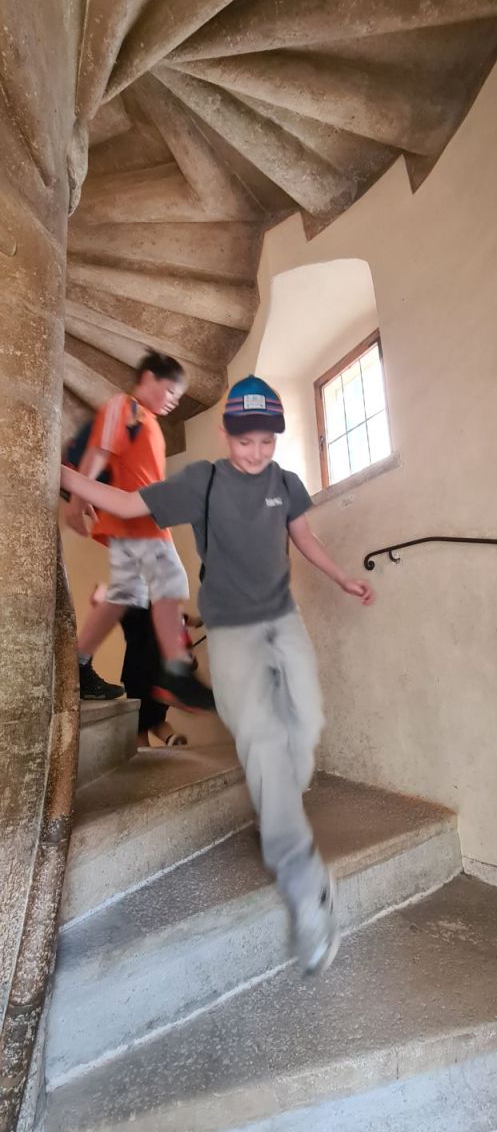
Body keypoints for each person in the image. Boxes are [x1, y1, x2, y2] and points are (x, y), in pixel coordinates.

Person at [60, 375, 374, 975]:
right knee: (263, 739)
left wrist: (341, 578)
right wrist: (64, 475)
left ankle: (278, 803)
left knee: (305, 726)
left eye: (266, 441)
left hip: (283, 621)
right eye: (245, 440)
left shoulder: (286, 483)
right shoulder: (202, 481)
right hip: (231, 634)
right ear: (228, 435)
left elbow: (303, 537)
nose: (256, 452)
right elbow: (128, 504)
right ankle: (306, 885)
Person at [65, 350, 214, 713]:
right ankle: (176, 673)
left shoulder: (150, 423)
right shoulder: (127, 407)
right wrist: (77, 499)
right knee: (171, 578)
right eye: (171, 391)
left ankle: (77, 665)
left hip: (144, 521)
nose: (174, 401)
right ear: (148, 378)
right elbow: (100, 451)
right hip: (136, 521)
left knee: (125, 594)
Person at [90, 585, 191, 749]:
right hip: (162, 672)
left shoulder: (130, 606)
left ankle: (147, 755)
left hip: (137, 673)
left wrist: (102, 595)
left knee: (139, 726)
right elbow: (183, 619)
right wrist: (197, 622)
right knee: (157, 719)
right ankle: (172, 738)